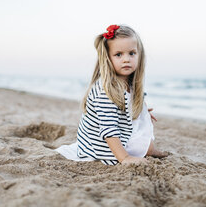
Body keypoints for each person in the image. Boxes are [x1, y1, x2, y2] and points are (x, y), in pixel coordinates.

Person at [55, 24, 169, 165]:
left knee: (143, 134)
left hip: (120, 132)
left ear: (140, 55)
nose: (126, 59)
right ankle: (149, 150)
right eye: (118, 54)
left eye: (132, 53)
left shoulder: (129, 82)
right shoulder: (106, 89)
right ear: (108, 58)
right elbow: (109, 130)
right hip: (101, 145)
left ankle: (149, 149)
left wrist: (142, 112)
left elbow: (132, 100)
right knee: (143, 144)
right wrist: (125, 158)